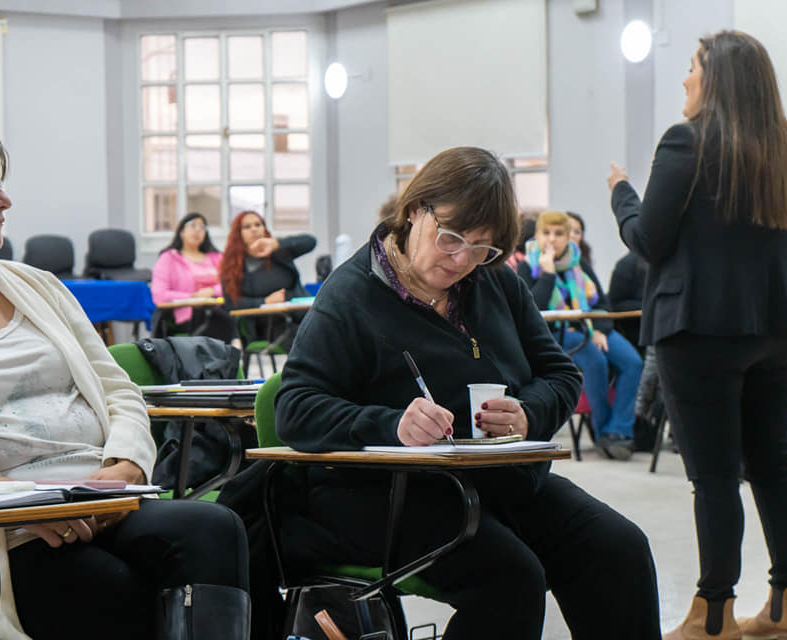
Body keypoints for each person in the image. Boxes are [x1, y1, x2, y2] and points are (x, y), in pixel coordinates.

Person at [0, 112, 249, 639]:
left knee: (215, 528)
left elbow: (121, 393)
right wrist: (7, 502)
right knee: (109, 588)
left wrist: (126, 470)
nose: (4, 200)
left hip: (98, 502)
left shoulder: (36, 285)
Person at [275, 147, 661, 639]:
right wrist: (392, 425)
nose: (462, 259)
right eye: (452, 237)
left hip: (497, 482)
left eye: (483, 247)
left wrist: (527, 413)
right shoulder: (352, 294)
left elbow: (561, 374)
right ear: (415, 210)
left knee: (618, 548)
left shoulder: (495, 282)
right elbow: (295, 408)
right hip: (388, 494)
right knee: (511, 579)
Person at [607, 31, 787, 639]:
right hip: (779, 325)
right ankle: (786, 609)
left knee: (716, 476)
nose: (685, 80)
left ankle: (714, 617)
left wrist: (621, 194)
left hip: (700, 328)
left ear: (718, 78)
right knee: (773, 466)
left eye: (693, 68)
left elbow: (649, 239)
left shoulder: (684, 142)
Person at [517, 210, 643, 461]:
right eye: (546, 233)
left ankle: (619, 430)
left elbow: (603, 303)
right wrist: (548, 274)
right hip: (554, 333)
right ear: (537, 235)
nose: (551, 239)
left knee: (632, 362)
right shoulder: (527, 265)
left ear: (569, 238)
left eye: (559, 234)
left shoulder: (579, 264)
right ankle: (603, 432)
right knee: (595, 361)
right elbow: (531, 309)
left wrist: (599, 330)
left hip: (590, 327)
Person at [219, 210, 316, 347]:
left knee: (324, 324)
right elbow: (231, 303)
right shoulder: (232, 266)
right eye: (247, 227)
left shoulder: (279, 252)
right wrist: (265, 301)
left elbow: (310, 241)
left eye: (258, 224)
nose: (254, 229)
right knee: (299, 334)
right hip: (266, 323)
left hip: (299, 312)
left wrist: (276, 244)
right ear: (238, 234)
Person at [151, 212, 235, 342]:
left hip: (218, 309)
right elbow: (159, 295)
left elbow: (230, 285)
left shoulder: (217, 257)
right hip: (184, 314)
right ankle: (231, 349)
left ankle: (231, 350)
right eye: (193, 225)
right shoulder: (168, 258)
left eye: (202, 227)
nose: (198, 230)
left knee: (232, 312)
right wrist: (193, 297)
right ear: (181, 231)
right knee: (217, 318)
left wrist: (212, 291)